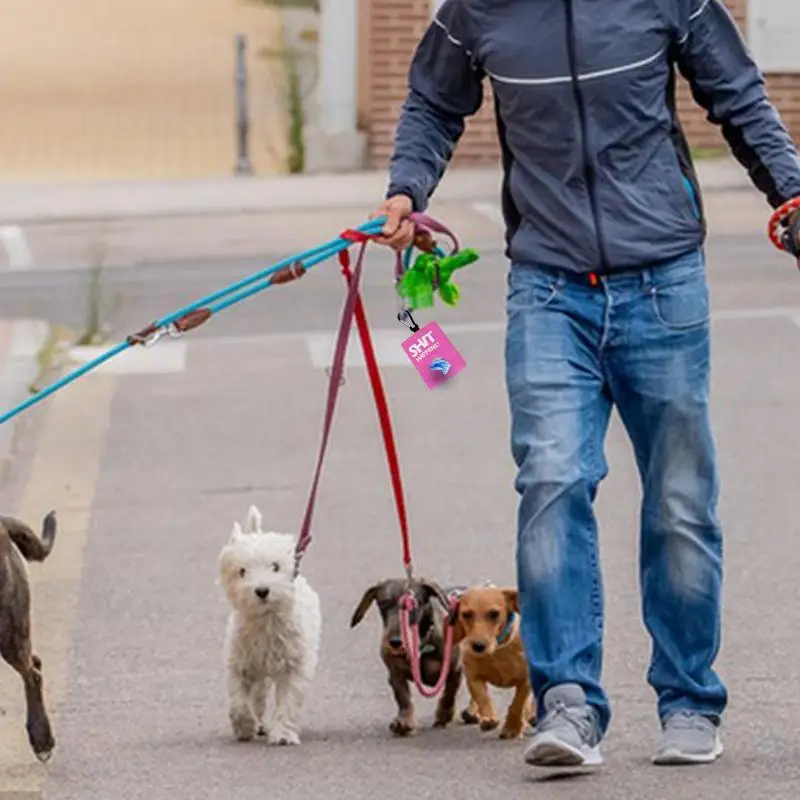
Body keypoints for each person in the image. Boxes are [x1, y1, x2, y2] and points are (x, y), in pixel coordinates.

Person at [371, 0, 800, 770]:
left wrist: (791, 191)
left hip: (663, 279)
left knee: (677, 498)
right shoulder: (479, 8)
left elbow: (736, 93)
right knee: (552, 480)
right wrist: (408, 189)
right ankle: (567, 702)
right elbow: (434, 101)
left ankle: (689, 699)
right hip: (547, 288)